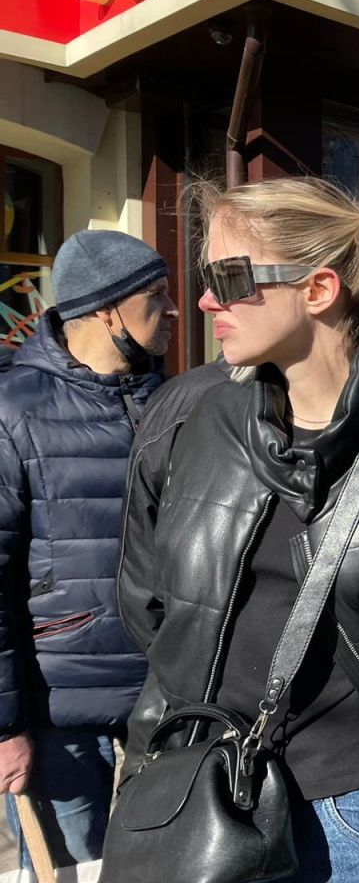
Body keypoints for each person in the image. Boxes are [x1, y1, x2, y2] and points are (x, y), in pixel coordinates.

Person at [114, 177, 359, 881]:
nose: (205, 299)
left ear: (318, 290)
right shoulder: (190, 416)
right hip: (192, 785)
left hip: (350, 804)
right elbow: (145, 601)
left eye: (229, 277)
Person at [0, 230, 176, 869]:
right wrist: (4, 728)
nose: (174, 310)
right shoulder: (13, 407)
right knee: (73, 870)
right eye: (155, 296)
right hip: (59, 715)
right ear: (106, 311)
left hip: (168, 700)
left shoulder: (172, 399)